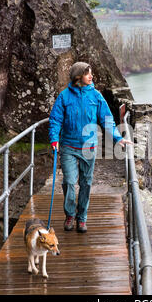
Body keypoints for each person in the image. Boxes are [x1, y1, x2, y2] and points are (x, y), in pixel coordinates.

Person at [48, 62, 132, 233]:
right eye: (87, 74)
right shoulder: (64, 97)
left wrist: (117, 138)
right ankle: (70, 214)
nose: (91, 76)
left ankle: (82, 218)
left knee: (86, 183)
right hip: (68, 147)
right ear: (78, 76)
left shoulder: (96, 96)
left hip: (88, 148)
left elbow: (107, 119)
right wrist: (54, 139)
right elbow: (55, 119)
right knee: (69, 182)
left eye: (91, 73)